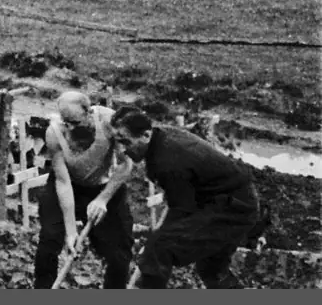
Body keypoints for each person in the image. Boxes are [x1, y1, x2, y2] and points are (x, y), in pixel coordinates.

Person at [111, 106, 261, 289]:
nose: (122, 149)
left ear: (146, 135)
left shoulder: (167, 161)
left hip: (232, 207)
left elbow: (182, 211)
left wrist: (153, 244)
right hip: (225, 199)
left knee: (160, 249)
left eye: (126, 142)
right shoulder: (161, 138)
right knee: (211, 269)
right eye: (118, 142)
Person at [33, 91, 134, 289]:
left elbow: (126, 165)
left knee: (120, 252)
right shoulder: (55, 133)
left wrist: (102, 199)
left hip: (104, 188)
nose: (70, 127)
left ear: (89, 112)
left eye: (75, 122)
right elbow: (63, 182)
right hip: (68, 186)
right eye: (66, 121)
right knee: (49, 240)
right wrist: (71, 231)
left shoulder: (109, 121)